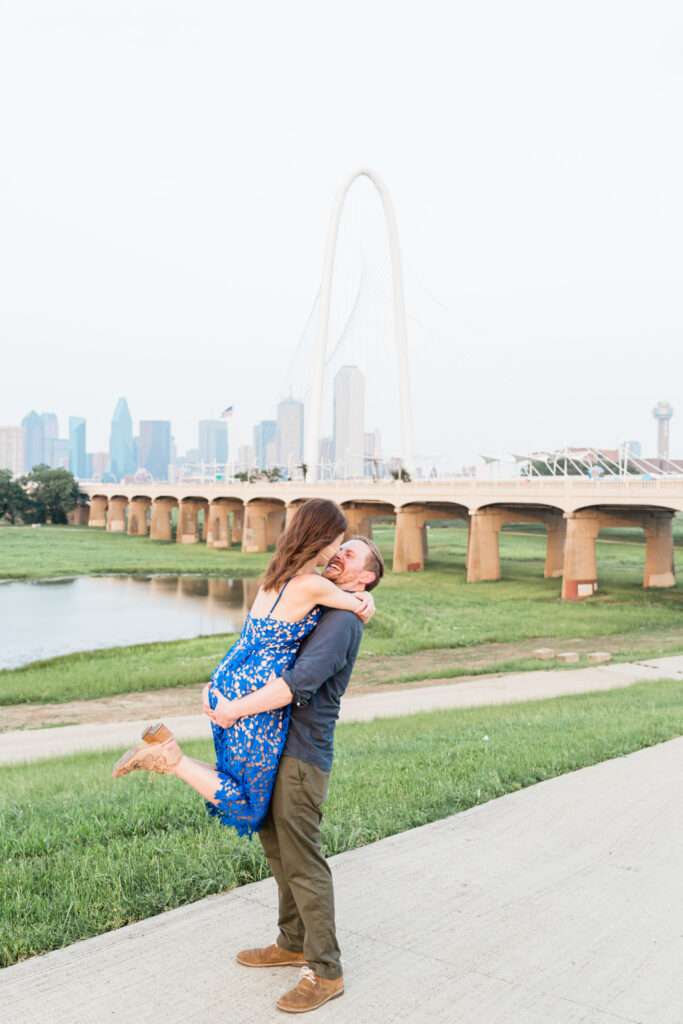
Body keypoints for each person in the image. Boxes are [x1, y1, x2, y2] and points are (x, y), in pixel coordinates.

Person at [112, 499, 375, 839]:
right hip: (256, 689)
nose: (337, 551)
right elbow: (360, 607)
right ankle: (170, 759)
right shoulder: (313, 584)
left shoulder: (277, 575)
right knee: (250, 803)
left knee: (234, 776)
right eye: (338, 542)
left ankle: (169, 754)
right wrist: (368, 599)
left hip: (232, 676)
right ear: (322, 540)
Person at [226, 535, 384, 1014]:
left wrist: (235, 710)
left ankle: (326, 970)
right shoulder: (325, 603)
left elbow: (299, 686)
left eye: (351, 554)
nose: (340, 555)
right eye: (340, 548)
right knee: (277, 847)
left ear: (366, 578)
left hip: (302, 754)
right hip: (279, 749)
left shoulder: (341, 623)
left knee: (303, 860)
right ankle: (292, 941)